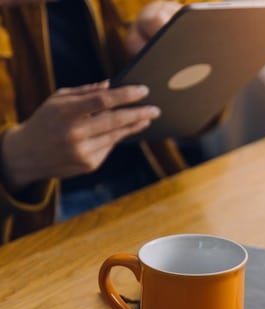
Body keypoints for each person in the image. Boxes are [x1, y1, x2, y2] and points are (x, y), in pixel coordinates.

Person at [0, 0, 219, 244]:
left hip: (158, 184)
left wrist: (178, 51)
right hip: (29, 233)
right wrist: (15, 159)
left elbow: (207, 117)